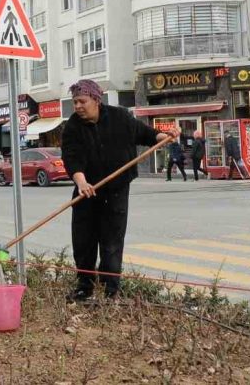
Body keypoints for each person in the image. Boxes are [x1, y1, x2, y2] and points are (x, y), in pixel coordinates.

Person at [61, 79, 176, 301]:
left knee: (112, 242)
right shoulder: (73, 126)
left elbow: (147, 135)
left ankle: (111, 289)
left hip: (116, 192)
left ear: (96, 99)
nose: (77, 106)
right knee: (83, 242)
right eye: (75, 102)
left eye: (81, 101)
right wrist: (81, 182)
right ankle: (84, 287)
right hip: (87, 192)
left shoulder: (120, 117)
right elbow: (71, 157)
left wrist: (166, 136)